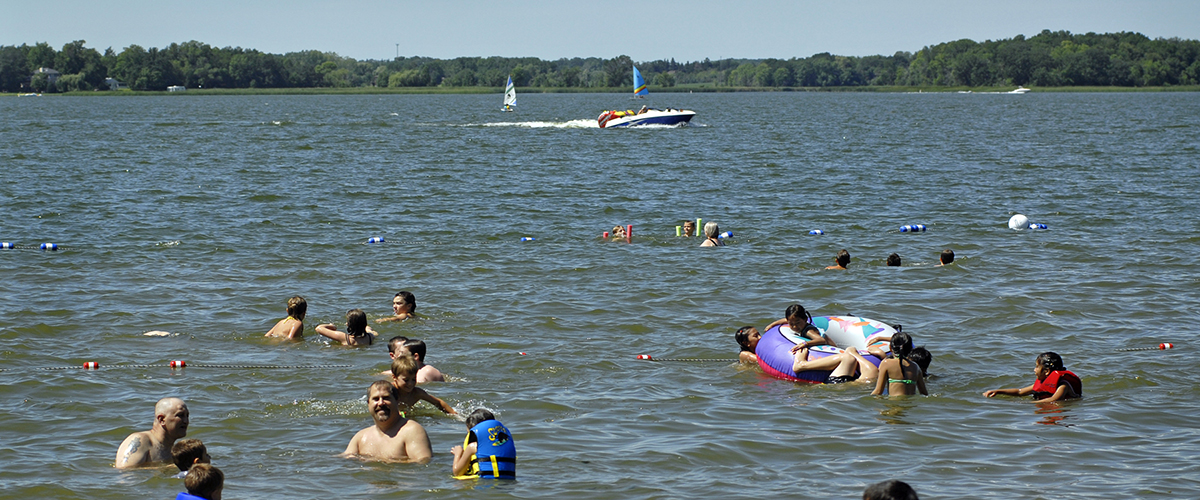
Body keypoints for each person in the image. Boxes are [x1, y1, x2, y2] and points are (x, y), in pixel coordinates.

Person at [343, 380, 433, 463]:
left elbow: (423, 463)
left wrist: (382, 462)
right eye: (376, 399)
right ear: (368, 404)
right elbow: (343, 462)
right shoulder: (361, 437)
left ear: (397, 401)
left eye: (386, 398)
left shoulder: (412, 431)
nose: (381, 403)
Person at [115, 397, 189, 469]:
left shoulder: (173, 450)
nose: (186, 421)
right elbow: (125, 471)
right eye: (180, 415)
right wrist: (169, 467)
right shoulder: (141, 440)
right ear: (162, 419)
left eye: (187, 416)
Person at [983, 352, 1081, 403]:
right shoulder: (1042, 383)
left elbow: (1053, 400)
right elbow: (1020, 392)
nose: (1034, 370)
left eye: (1037, 367)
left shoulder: (1063, 386)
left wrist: (1028, 404)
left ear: (1046, 371)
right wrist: (998, 391)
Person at [451, 408, 516, 479]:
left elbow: (457, 472)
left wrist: (458, 453)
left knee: (458, 484)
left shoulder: (472, 447)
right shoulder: (505, 443)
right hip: (507, 483)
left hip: (483, 483)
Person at [391, 356, 457, 415]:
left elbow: (438, 402)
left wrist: (454, 414)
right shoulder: (389, 391)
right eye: (406, 380)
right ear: (394, 377)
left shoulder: (416, 393)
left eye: (413, 379)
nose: (410, 383)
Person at [764, 304, 834, 348]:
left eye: (798, 323)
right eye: (791, 324)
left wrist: (805, 344)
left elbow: (821, 340)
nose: (794, 326)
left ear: (805, 319)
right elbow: (785, 320)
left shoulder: (808, 331)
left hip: (832, 349)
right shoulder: (798, 323)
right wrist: (772, 325)